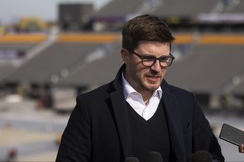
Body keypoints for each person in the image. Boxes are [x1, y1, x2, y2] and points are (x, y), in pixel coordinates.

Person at [56, 14, 224, 162]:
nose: (157, 68)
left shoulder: (186, 102)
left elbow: (214, 156)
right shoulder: (90, 107)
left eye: (164, 59)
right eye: (148, 58)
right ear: (125, 56)